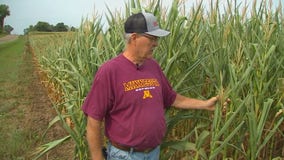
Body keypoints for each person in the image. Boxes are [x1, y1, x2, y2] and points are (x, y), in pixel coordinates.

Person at [82, 12, 220, 160]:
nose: (156, 43)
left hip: (153, 153)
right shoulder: (110, 71)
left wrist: (205, 104)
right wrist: (97, 157)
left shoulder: (153, 66)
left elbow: (172, 98)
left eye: (157, 39)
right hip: (124, 155)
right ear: (134, 38)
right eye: (152, 38)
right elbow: (94, 119)